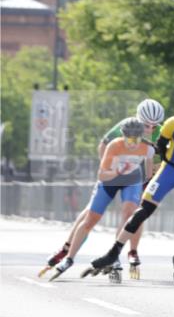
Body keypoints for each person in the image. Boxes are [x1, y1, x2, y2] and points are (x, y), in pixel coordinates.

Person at [86, 89, 174, 285]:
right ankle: (113, 253)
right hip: (169, 171)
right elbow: (160, 147)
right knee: (143, 211)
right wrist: (164, 165)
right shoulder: (173, 124)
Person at [40, 99, 165, 277]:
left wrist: (153, 172)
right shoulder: (126, 127)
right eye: (146, 125)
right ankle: (66, 248)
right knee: (91, 213)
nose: (150, 129)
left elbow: (162, 159)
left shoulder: (161, 132)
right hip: (113, 173)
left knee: (132, 212)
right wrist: (110, 168)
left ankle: (120, 253)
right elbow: (103, 145)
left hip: (134, 175)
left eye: (155, 125)